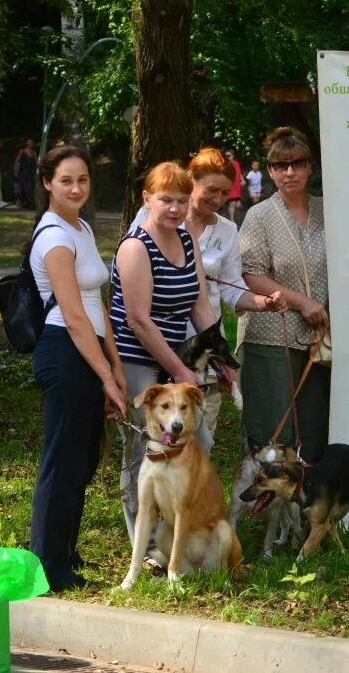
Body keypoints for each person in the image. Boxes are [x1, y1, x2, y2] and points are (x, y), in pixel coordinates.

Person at [111, 161, 282, 551]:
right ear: (147, 199)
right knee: (145, 449)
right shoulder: (136, 246)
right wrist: (179, 371)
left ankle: (174, 527)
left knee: (198, 441)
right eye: (165, 199)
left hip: (177, 353)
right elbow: (138, 320)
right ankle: (148, 544)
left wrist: (220, 357)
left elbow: (200, 305)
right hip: (138, 353)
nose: (174, 208)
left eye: (181, 200)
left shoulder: (186, 238)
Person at [129, 148, 287, 447]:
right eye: (211, 189)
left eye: (225, 193)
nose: (217, 199)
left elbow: (231, 287)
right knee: (148, 446)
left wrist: (262, 302)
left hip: (202, 348)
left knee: (200, 444)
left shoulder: (227, 230)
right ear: (191, 179)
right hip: (154, 344)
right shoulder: (151, 216)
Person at [29, 145, 128, 592]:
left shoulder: (82, 226)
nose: (75, 188)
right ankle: (49, 567)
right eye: (66, 180)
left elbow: (97, 305)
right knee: (63, 460)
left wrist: (115, 364)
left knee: (84, 459)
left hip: (90, 351)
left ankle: (64, 550)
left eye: (83, 180)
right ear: (47, 182)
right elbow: (72, 315)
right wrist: (104, 376)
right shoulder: (54, 236)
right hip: (65, 351)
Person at [239, 126, 331, 463]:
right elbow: (251, 274)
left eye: (297, 164)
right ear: (270, 171)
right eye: (281, 165)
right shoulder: (258, 216)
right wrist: (302, 302)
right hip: (272, 335)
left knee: (315, 423)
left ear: (310, 167)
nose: (289, 172)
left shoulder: (329, 210)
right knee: (274, 425)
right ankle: (272, 508)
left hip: (319, 336)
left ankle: (309, 504)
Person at [14, 138, 37, 209]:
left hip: (31, 172)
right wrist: (16, 171)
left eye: (32, 142)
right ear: (26, 143)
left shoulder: (34, 152)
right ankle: (19, 201)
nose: (31, 143)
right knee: (20, 187)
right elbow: (16, 161)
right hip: (22, 172)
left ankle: (29, 203)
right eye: (29, 142)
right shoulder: (22, 151)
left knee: (30, 188)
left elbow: (36, 163)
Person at [225, 150, 243, 222]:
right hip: (230, 187)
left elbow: (239, 173)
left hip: (237, 187)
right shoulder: (225, 165)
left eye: (228, 156)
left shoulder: (236, 163)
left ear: (233, 156)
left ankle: (230, 219)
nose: (227, 158)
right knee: (232, 204)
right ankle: (232, 221)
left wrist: (242, 179)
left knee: (237, 205)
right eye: (225, 156)